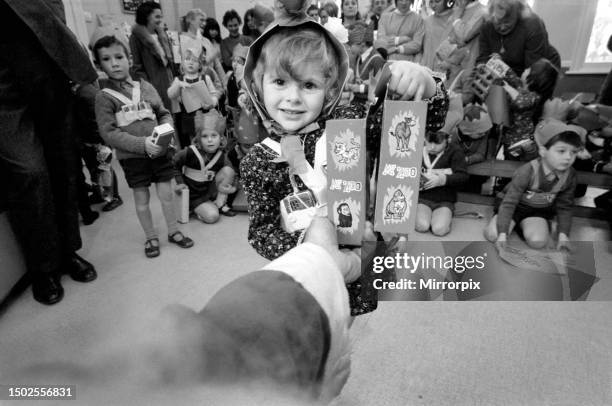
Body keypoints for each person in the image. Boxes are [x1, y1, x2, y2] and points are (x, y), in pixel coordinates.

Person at [239, 0, 448, 315]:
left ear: (330, 88)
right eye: (280, 82)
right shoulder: (257, 160)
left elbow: (418, 121)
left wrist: (425, 83)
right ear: (258, 85)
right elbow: (261, 231)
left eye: (309, 85)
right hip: (304, 276)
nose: (293, 98)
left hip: (359, 266)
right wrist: (309, 247)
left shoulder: (351, 125)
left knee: (349, 330)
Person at [0, 0, 98, 305]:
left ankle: (68, 251)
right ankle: (42, 267)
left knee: (63, 162)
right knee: (29, 171)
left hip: (43, 54)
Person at [94, 35, 194, 259]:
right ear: (99, 66)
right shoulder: (104, 97)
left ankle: (174, 231)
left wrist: (166, 132)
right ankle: (151, 236)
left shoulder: (145, 87)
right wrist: (142, 144)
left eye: (119, 57)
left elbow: (163, 113)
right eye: (107, 59)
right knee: (141, 199)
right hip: (133, 159)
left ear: (129, 58)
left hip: (159, 152)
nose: (115, 63)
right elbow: (108, 132)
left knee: (166, 194)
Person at [484, 119, 582, 250]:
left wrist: (563, 235)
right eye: (561, 151)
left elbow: (565, 206)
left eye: (573, 152)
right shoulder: (527, 171)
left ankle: (522, 225)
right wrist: (502, 233)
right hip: (515, 207)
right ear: (543, 151)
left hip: (537, 211)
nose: (568, 157)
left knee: (538, 242)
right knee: (493, 235)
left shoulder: (570, 175)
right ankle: (508, 222)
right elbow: (509, 202)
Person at [173, 111, 236, 222]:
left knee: (228, 171)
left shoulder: (221, 155)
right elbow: (173, 164)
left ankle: (220, 203)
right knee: (212, 217)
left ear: (221, 138)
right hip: (193, 195)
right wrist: (180, 182)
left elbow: (232, 174)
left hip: (209, 191)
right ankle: (196, 208)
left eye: (214, 135)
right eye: (205, 136)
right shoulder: (189, 152)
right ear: (199, 139)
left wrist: (230, 187)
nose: (210, 140)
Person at [476, 0, 560, 77]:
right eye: (498, 22)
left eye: (507, 22)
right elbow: (483, 58)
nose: (502, 27)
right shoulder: (487, 26)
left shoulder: (532, 25)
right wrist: (482, 66)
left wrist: (502, 65)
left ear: (518, 14)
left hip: (539, 71)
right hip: (509, 72)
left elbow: (532, 71)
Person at [416, 131, 468, 236]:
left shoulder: (455, 151)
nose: (432, 147)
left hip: (445, 199)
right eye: (428, 142)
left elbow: (463, 176)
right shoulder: (417, 148)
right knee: (422, 226)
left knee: (439, 229)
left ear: (447, 140)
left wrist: (443, 180)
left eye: (437, 144)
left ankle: (444, 216)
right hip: (422, 198)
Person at [167, 47, 221, 148]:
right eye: (187, 59)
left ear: (200, 64)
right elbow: (171, 94)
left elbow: (214, 94)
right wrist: (178, 85)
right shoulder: (178, 80)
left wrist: (211, 103)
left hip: (206, 118)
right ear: (182, 63)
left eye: (194, 60)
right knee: (192, 143)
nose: (191, 63)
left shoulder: (206, 78)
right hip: (188, 119)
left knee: (205, 141)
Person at [130, 1, 176, 111]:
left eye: (161, 16)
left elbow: (168, 60)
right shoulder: (136, 37)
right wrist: (148, 88)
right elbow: (137, 68)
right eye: (157, 16)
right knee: (161, 116)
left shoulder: (162, 35)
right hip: (153, 85)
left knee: (172, 115)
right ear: (146, 16)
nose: (160, 20)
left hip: (169, 81)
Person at [179, 9, 225, 85]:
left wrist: (225, 83)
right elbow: (192, 66)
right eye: (201, 20)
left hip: (212, 84)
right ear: (191, 21)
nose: (204, 23)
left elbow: (217, 65)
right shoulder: (184, 40)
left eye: (205, 20)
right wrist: (211, 56)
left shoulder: (206, 40)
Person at [345, 22, 385, 107]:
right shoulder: (359, 57)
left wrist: (360, 88)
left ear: (362, 44)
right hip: (357, 101)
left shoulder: (377, 60)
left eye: (351, 44)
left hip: (369, 104)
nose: (348, 48)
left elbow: (380, 87)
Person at [420, 0, 454, 71]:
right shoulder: (428, 21)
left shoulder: (455, 21)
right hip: (425, 68)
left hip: (445, 69)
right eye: (431, 2)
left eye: (437, 1)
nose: (433, 5)